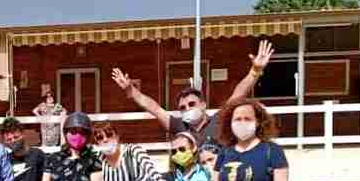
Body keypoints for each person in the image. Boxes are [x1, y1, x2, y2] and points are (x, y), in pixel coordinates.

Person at [111, 40, 275, 147]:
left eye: (191, 104)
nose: (187, 109)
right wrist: (130, 90)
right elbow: (154, 108)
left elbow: (238, 94)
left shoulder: (218, 120)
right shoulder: (179, 126)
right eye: (182, 107)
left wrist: (255, 71)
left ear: (203, 105)